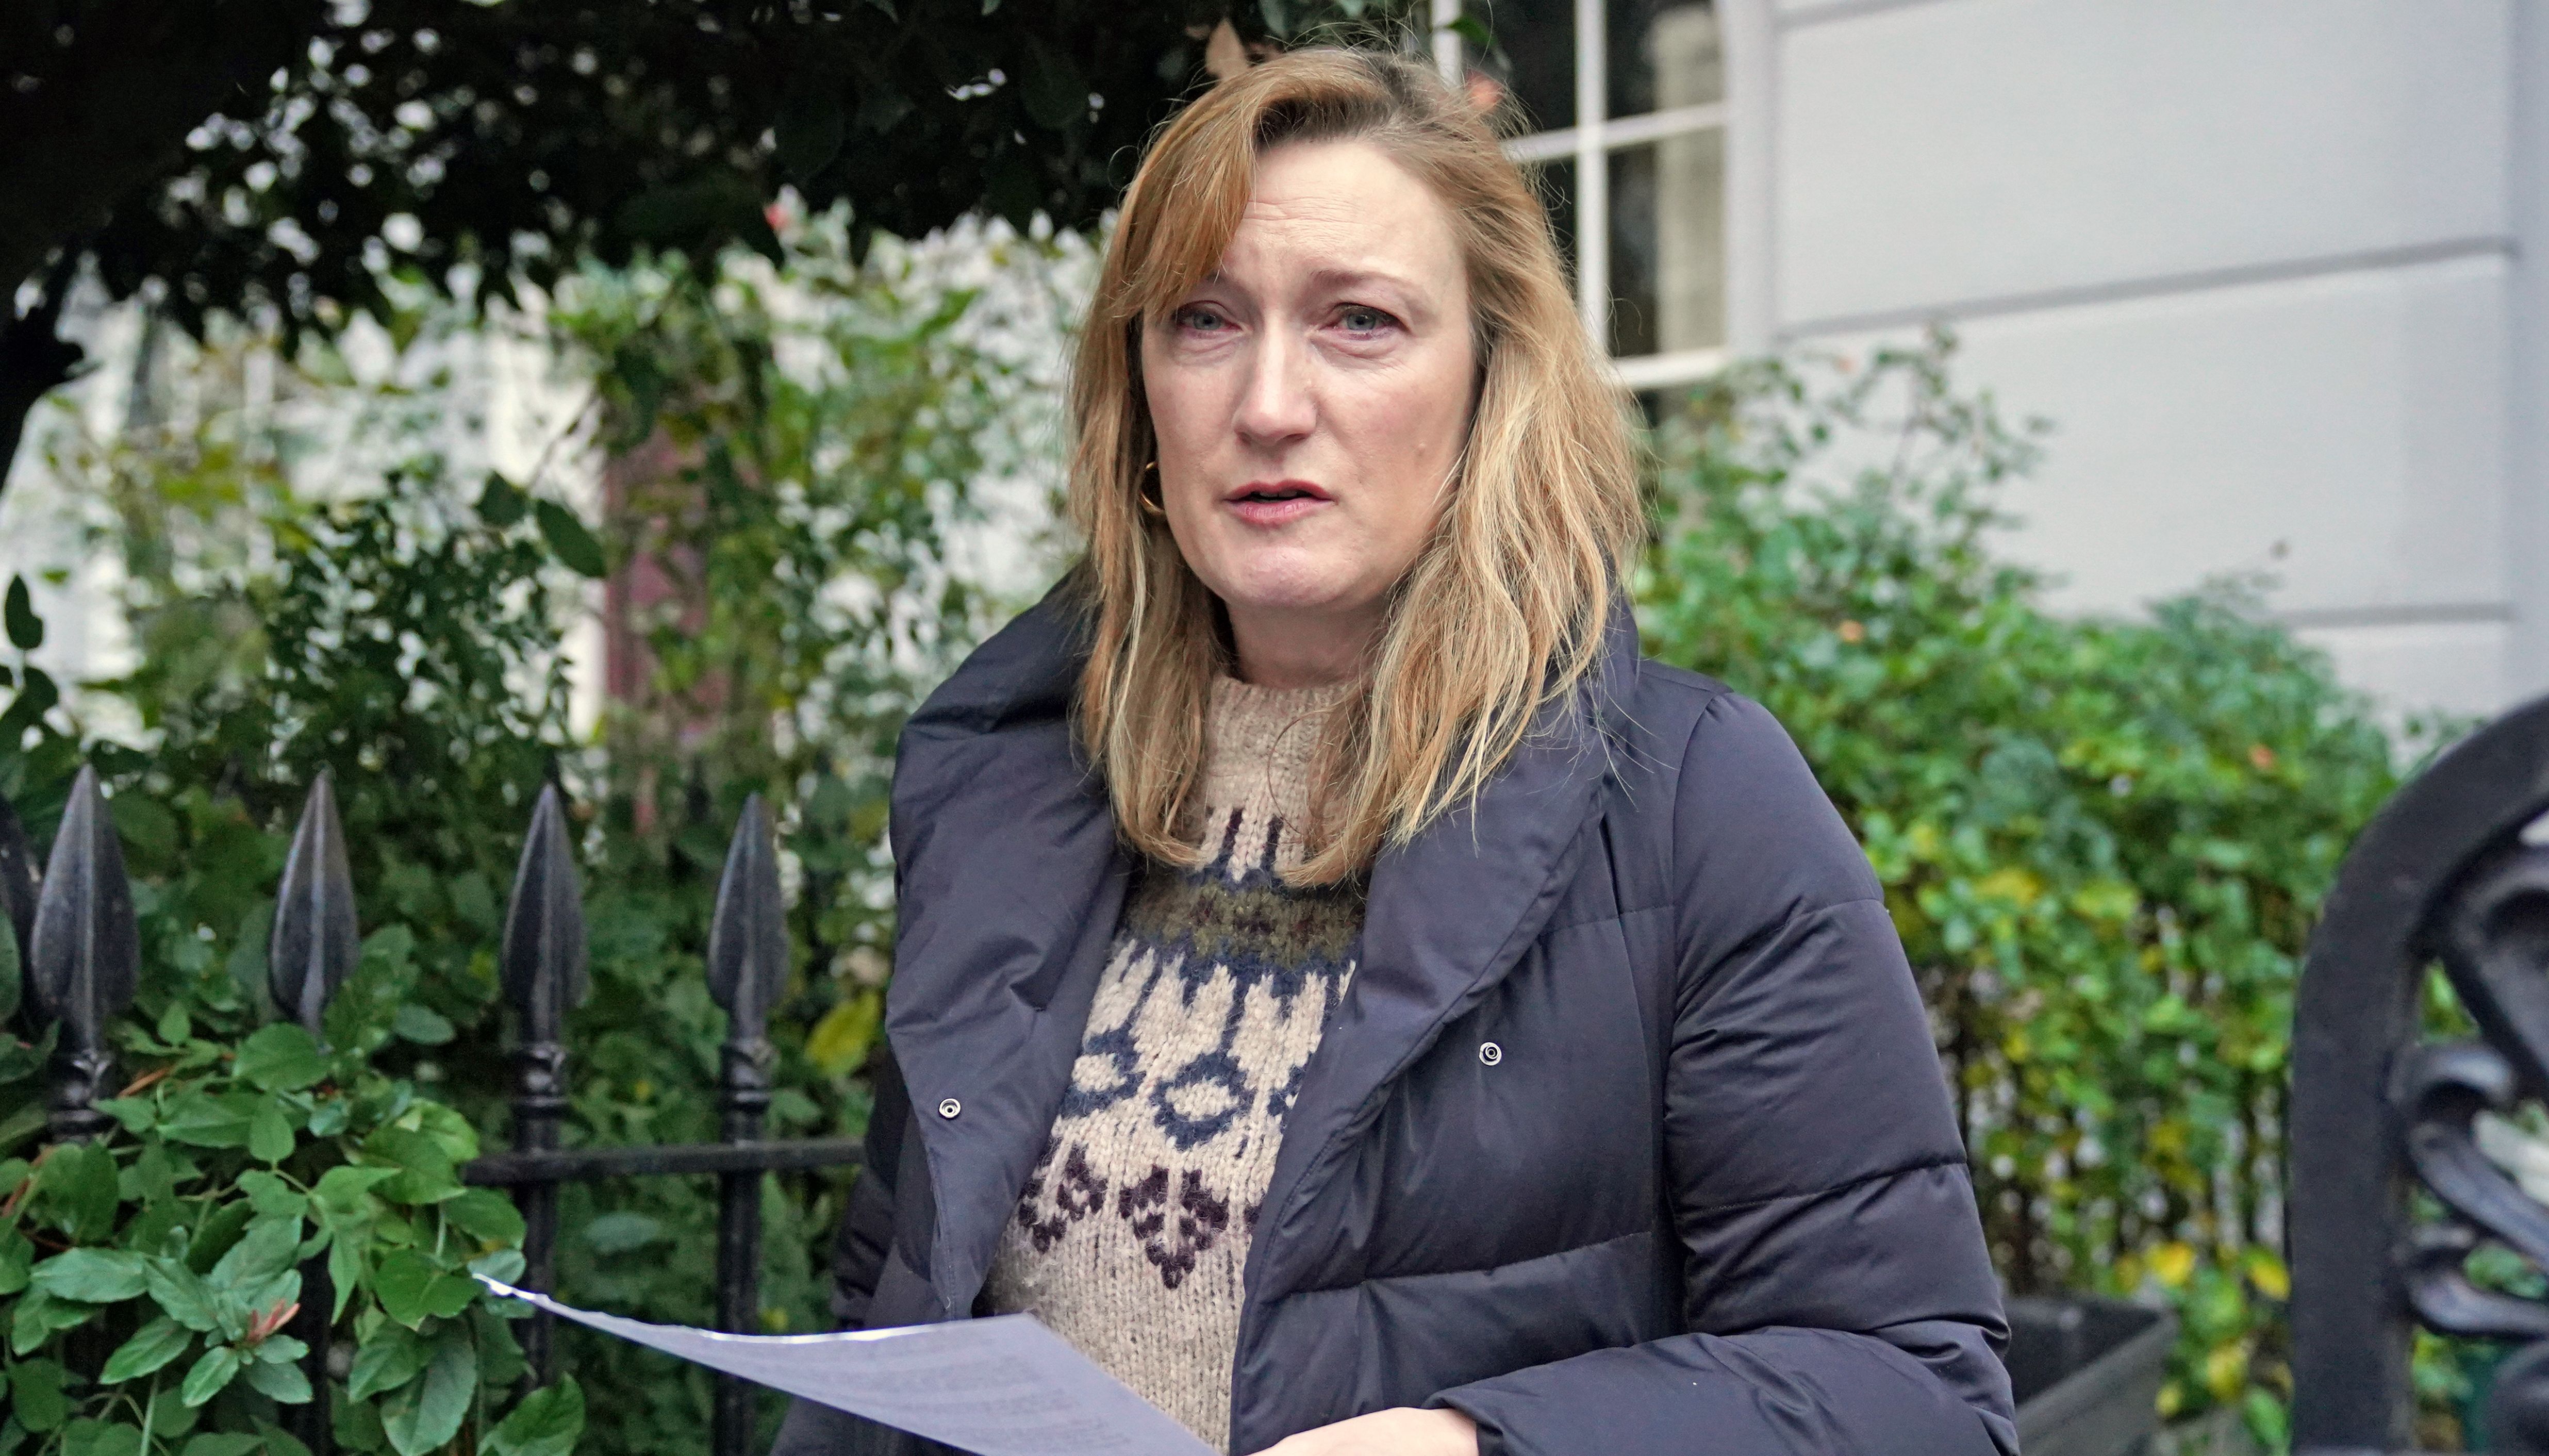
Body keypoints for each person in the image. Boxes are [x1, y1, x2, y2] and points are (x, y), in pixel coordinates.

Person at [771, 45, 2014, 1456]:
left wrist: (1476, 1445)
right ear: (1141, 394)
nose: (1269, 404)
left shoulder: (1693, 805)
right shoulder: (1009, 783)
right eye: (1204, 319)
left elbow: (1916, 1393)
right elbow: (891, 1325)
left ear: (1493, 382)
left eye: (1359, 322)